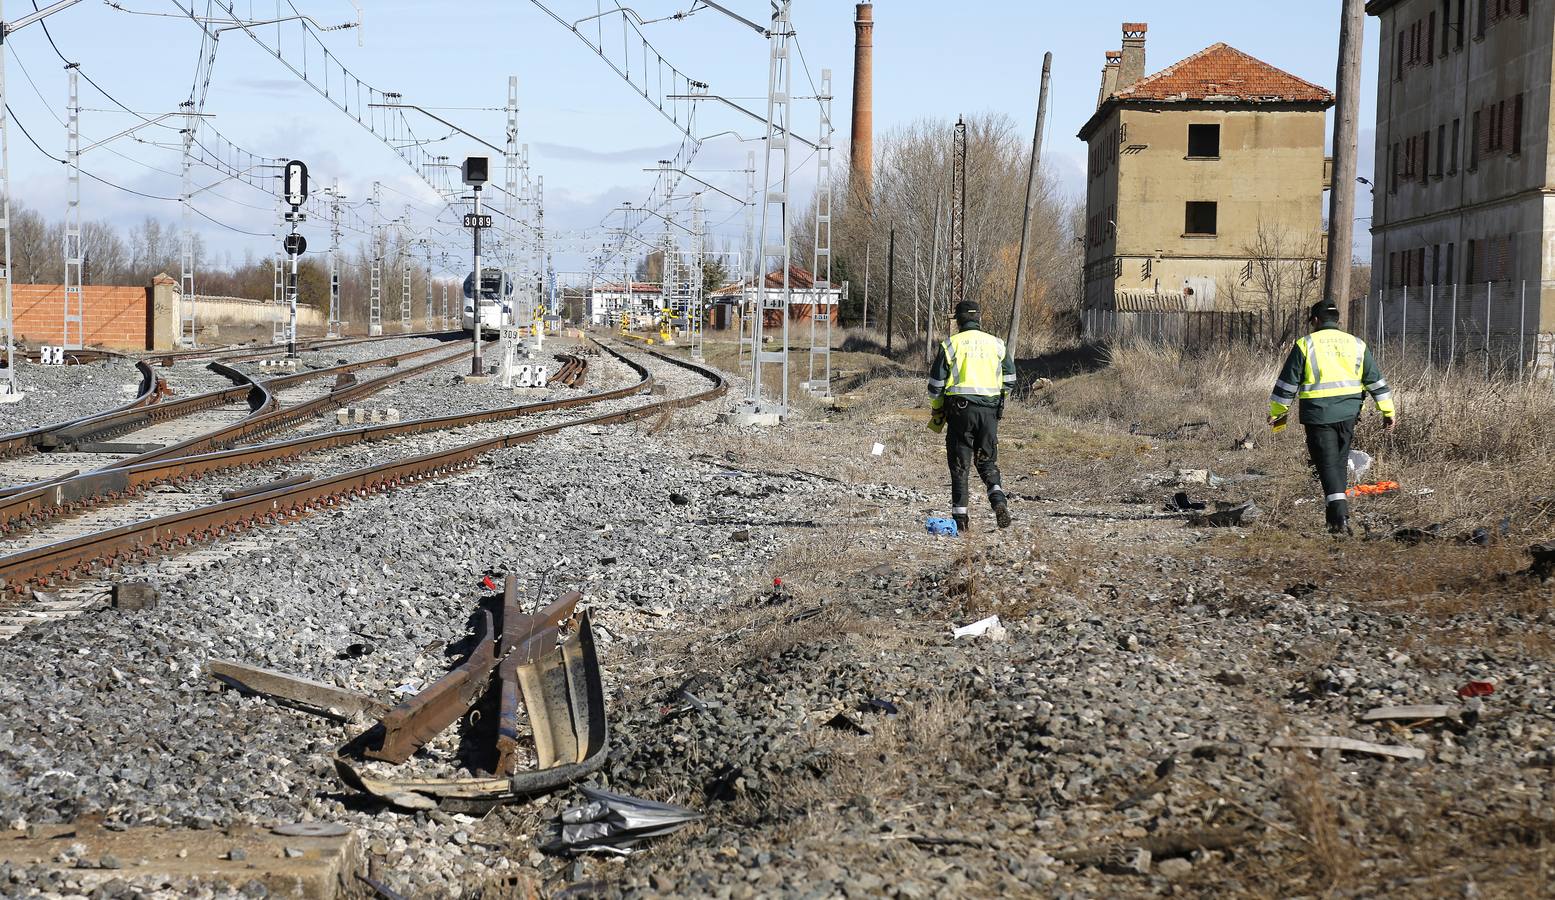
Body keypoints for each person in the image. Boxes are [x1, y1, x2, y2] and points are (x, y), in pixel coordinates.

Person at [1268, 299, 1396, 535]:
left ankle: (1339, 518)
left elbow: (1287, 384)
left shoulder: (1306, 344)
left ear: (1315, 321)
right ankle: (1334, 519)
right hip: (1349, 414)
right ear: (1338, 321)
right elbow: (1375, 381)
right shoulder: (1357, 344)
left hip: (1319, 415)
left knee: (1327, 465)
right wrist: (1387, 411)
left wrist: (1278, 413)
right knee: (1337, 463)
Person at [928, 300, 1017, 533]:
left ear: (958, 320)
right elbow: (1010, 380)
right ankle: (998, 501)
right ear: (979, 319)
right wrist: (997, 398)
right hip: (989, 412)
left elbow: (935, 385)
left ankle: (961, 522)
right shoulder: (997, 344)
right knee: (986, 461)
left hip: (960, 411)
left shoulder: (950, 344)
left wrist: (938, 407)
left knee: (960, 466)